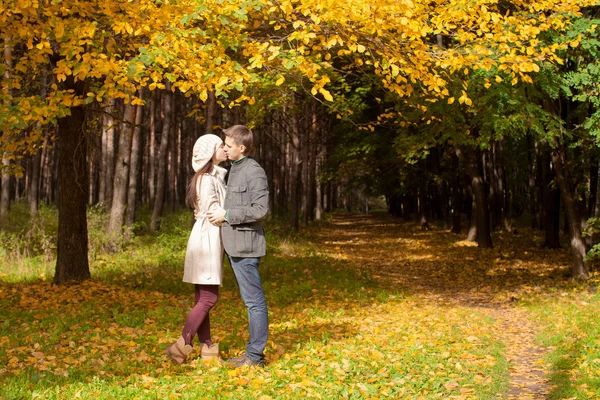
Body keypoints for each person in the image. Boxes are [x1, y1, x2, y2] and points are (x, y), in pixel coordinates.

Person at [207, 125, 269, 368]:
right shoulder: (233, 169)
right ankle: (252, 354)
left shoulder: (254, 171)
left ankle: (255, 357)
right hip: (234, 246)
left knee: (254, 302)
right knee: (250, 301)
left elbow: (261, 209)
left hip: (246, 247)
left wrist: (227, 214)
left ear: (242, 148)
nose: (224, 147)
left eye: (228, 145)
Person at [165, 134, 228, 365]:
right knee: (209, 298)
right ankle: (182, 345)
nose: (225, 148)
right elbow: (214, 213)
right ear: (211, 152)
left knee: (203, 298)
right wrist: (232, 216)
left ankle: (208, 350)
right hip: (207, 240)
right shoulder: (207, 180)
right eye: (221, 145)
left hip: (207, 238)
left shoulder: (212, 177)